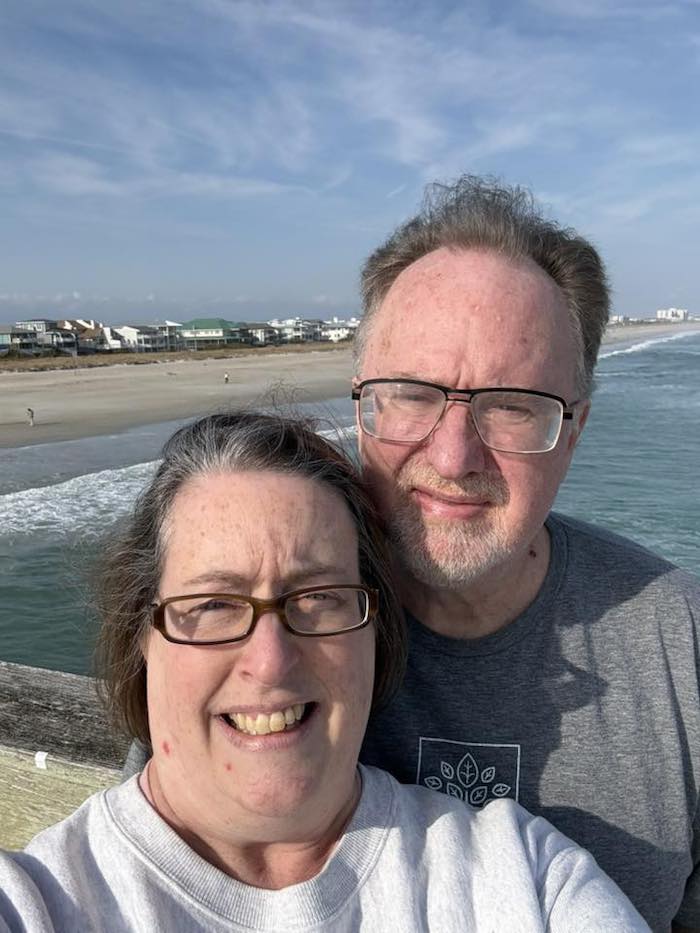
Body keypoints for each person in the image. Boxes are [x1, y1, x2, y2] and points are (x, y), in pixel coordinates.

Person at [0, 412, 648, 932]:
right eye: (214, 605)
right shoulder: (41, 900)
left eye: (318, 597)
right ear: (143, 636)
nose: (270, 659)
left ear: (375, 630)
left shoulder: (520, 879)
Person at [353, 176, 700, 933]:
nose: (453, 455)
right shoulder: (260, 624)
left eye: (512, 405)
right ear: (361, 406)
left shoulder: (683, 643)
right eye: (411, 391)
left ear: (572, 431)